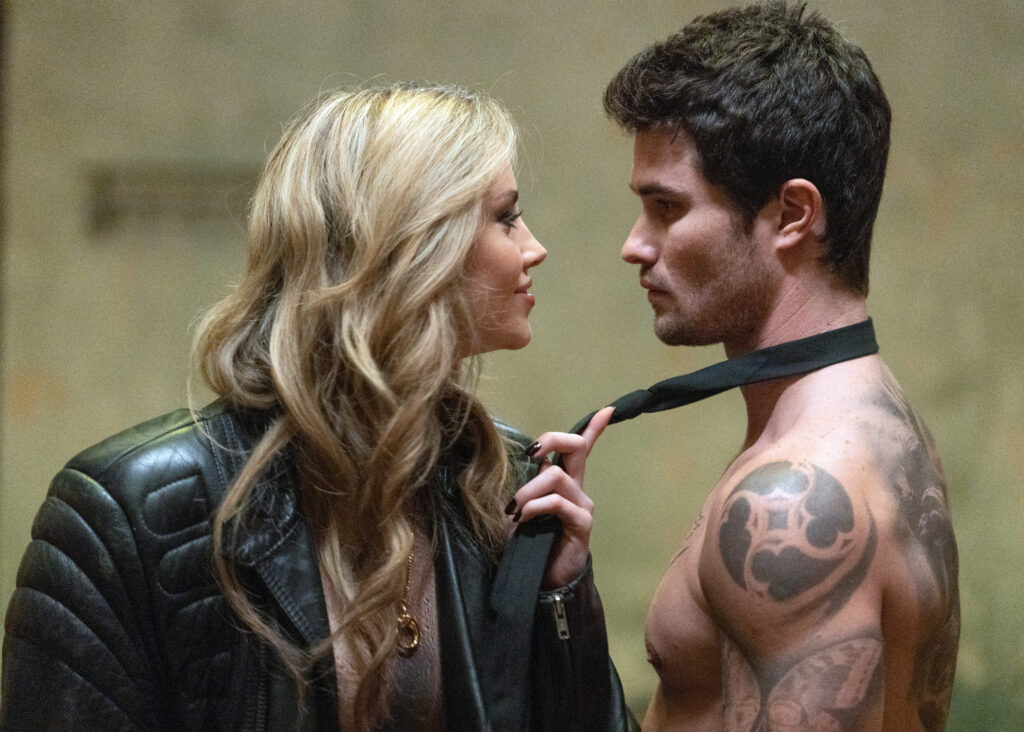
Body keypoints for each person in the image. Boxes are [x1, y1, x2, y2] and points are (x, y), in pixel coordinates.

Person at [0, 83, 633, 731]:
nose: (534, 248)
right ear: (409, 246)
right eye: (506, 217)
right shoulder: (129, 508)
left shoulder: (501, 481)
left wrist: (562, 597)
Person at [602, 2, 959, 730]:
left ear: (793, 214)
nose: (635, 245)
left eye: (667, 208)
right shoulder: (880, 425)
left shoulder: (796, 497)